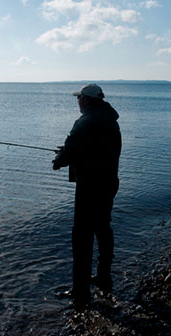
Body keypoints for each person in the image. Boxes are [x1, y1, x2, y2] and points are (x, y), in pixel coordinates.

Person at [52, 84, 122, 308]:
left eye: (79, 97)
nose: (77, 101)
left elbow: (70, 151)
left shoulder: (86, 121)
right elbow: (94, 148)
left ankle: (80, 291)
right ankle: (103, 276)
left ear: (87, 99)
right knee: (103, 228)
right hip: (109, 182)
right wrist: (69, 151)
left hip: (90, 186)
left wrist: (59, 159)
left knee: (81, 237)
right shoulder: (110, 119)